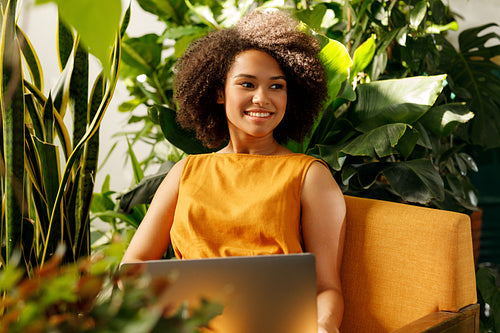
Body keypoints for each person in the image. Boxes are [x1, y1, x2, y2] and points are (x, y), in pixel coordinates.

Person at [121, 9, 346, 333]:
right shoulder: (186, 172)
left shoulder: (309, 176)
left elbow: (327, 288)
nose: (262, 98)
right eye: (247, 83)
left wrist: (324, 326)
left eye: (276, 86)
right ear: (217, 91)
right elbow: (133, 266)